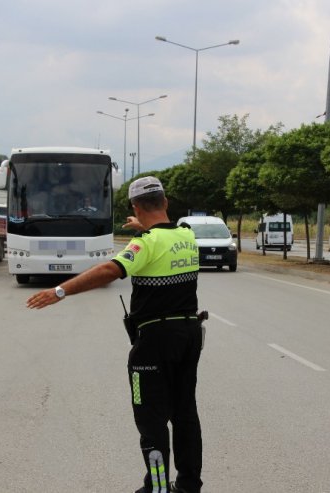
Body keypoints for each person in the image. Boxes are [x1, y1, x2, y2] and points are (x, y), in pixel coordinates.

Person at [26, 176, 203, 493]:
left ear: (136, 205)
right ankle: (189, 486)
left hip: (154, 342)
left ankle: (159, 488)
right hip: (189, 335)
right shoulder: (186, 236)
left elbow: (111, 270)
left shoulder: (144, 245)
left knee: (151, 421)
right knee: (185, 413)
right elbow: (159, 236)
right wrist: (141, 225)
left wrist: (60, 291)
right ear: (165, 202)